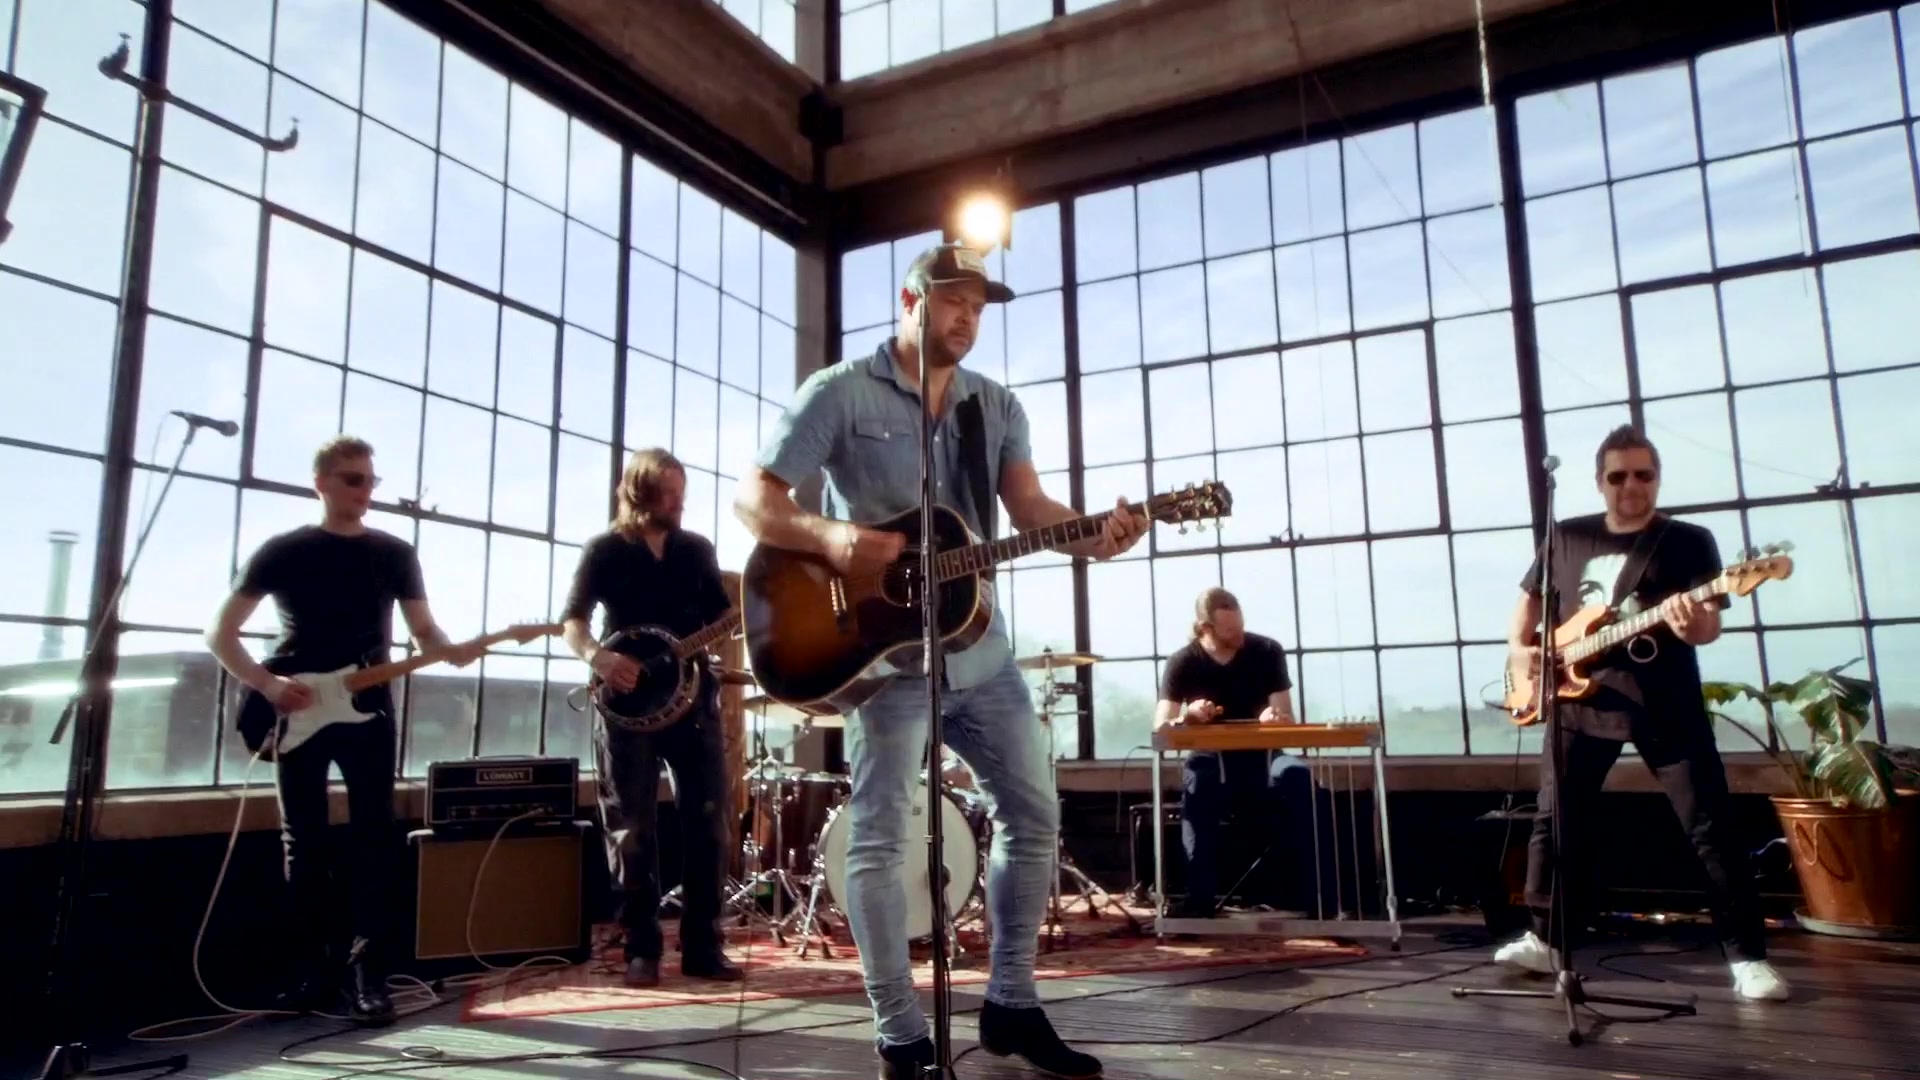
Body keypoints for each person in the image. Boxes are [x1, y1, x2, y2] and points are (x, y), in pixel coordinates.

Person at [735, 242, 1148, 1080]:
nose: (968, 318)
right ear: (910, 300)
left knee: (1034, 815)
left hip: (978, 652)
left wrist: (1094, 537)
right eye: (954, 300)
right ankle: (900, 1034)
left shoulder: (994, 405)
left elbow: (1027, 506)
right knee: (880, 839)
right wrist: (832, 537)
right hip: (881, 658)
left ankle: (1012, 1004)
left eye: (979, 306)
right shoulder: (839, 391)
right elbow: (755, 499)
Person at [1495, 425, 1788, 1002]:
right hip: (1578, 699)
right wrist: (1520, 649)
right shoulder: (1566, 534)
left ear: (1657, 479)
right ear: (1599, 482)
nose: (1631, 485)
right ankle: (1547, 939)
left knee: (1709, 824)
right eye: (1618, 475)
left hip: (1665, 700)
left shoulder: (1688, 541)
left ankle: (1747, 956)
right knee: (1554, 821)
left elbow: (1707, 627)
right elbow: (1529, 600)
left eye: (1643, 474)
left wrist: (1690, 623)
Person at [206, 435, 482, 1025]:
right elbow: (219, 634)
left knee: (373, 837)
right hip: (296, 706)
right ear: (322, 483)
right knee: (302, 841)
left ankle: (368, 975)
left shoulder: (394, 553)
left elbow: (424, 629)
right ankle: (310, 973)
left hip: (368, 709)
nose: (365, 491)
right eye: (353, 479)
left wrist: (449, 648)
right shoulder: (283, 550)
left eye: (370, 480)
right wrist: (268, 685)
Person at [562, 447, 742, 988]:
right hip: (625, 709)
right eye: (668, 492)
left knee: (709, 824)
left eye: (681, 491)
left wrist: (739, 621)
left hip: (694, 704)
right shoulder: (604, 550)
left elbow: (724, 618)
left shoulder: (696, 550)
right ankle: (641, 949)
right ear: (640, 493)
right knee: (631, 829)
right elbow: (572, 622)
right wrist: (600, 658)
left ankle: (703, 947)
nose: (679, 502)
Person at [1154, 587, 1311, 918]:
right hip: (1211, 756)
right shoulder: (1182, 662)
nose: (1239, 635)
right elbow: (1161, 727)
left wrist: (1274, 718)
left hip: (1266, 755)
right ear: (1205, 629)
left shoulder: (1267, 650)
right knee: (1199, 783)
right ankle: (1199, 899)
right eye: (1229, 631)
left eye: (1241, 626)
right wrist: (1188, 716)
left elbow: (1286, 716)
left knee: (1300, 778)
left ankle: (1317, 896)